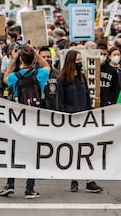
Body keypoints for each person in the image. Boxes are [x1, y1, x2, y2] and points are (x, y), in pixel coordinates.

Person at [0, 43, 50, 199]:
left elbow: (5, 78)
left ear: (21, 58)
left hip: (19, 118)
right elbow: (47, 65)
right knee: (33, 153)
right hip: (35, 118)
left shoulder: (15, 77)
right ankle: (29, 188)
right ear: (34, 58)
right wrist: (35, 53)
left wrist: (14, 60)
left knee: (15, 151)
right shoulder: (40, 74)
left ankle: (10, 184)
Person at [56, 49, 103, 193]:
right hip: (70, 120)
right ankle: (74, 180)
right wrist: (64, 118)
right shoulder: (62, 80)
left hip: (84, 119)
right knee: (74, 151)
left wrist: (90, 114)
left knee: (86, 149)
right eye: (77, 61)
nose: (80, 63)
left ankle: (90, 180)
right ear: (71, 62)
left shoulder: (82, 76)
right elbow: (60, 102)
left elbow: (87, 98)